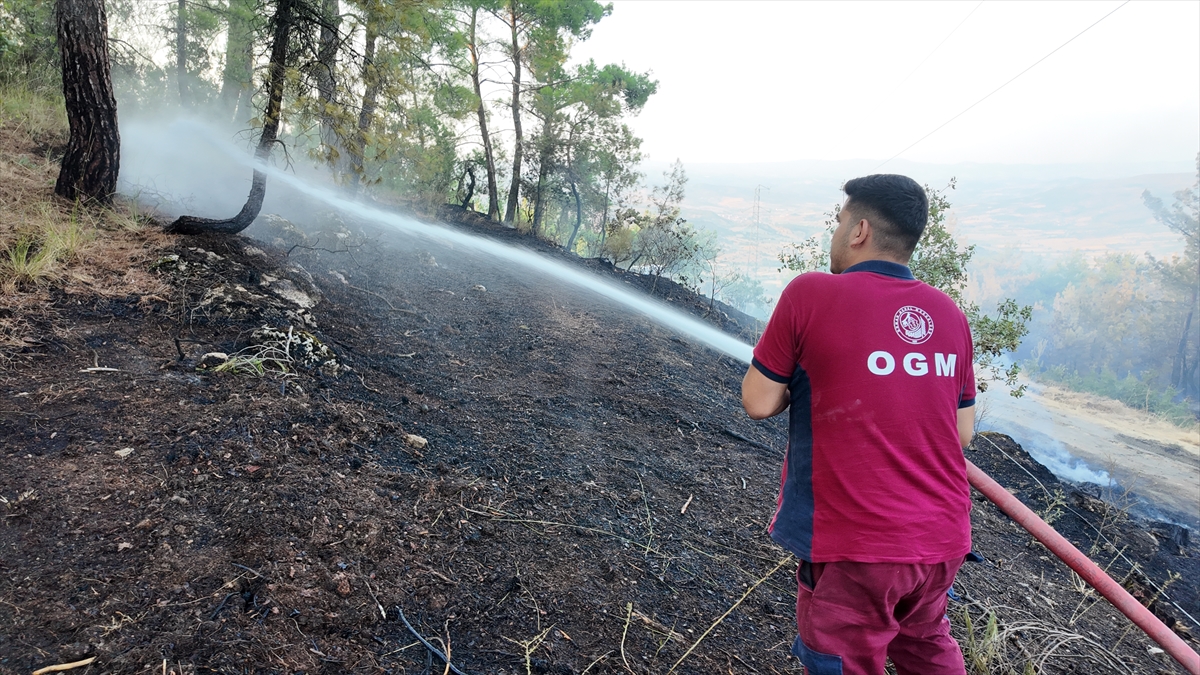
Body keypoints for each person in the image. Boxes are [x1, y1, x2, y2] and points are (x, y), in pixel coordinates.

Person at [741, 174, 976, 675]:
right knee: (925, 643)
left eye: (839, 221)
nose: (836, 233)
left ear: (859, 230)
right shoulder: (948, 313)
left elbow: (758, 402)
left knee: (842, 659)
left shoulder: (811, 293)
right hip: (942, 539)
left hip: (859, 544)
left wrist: (812, 383)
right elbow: (961, 434)